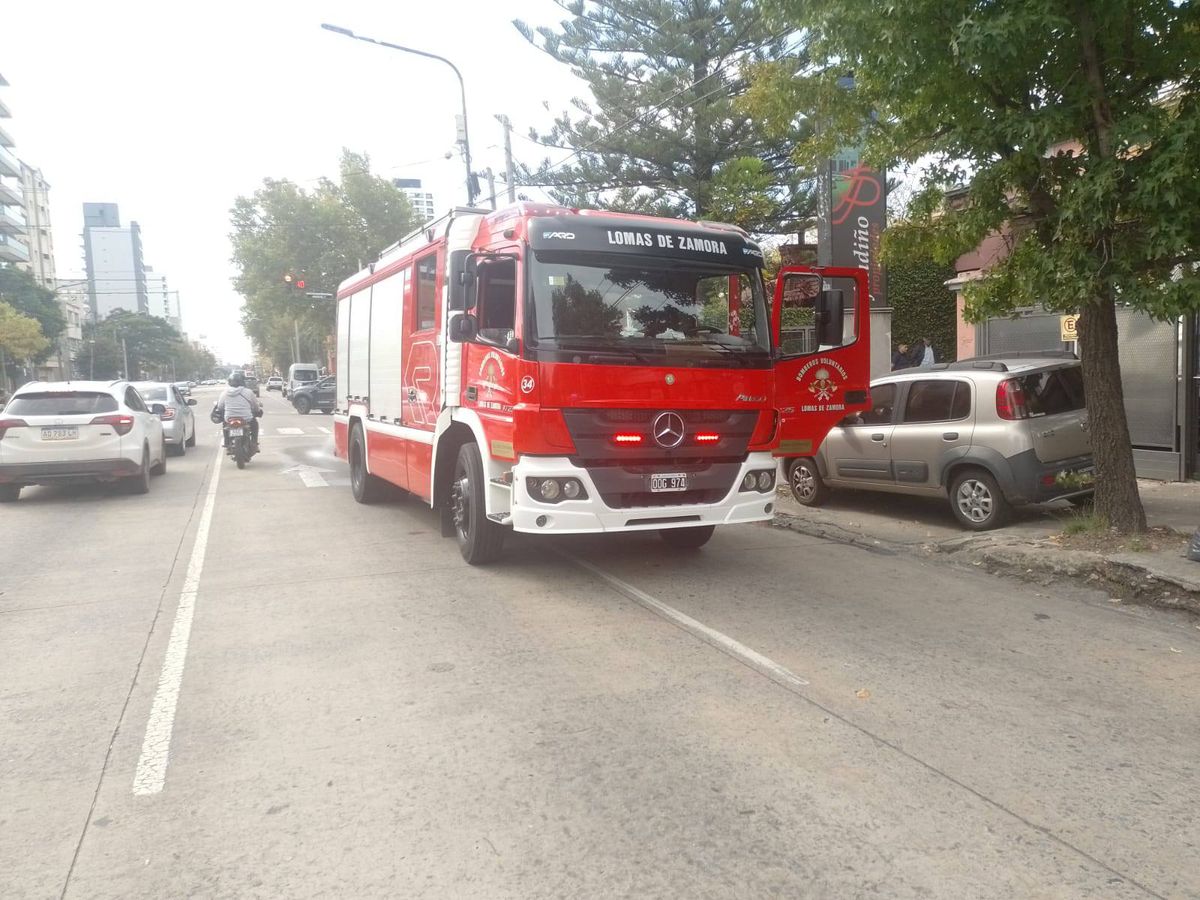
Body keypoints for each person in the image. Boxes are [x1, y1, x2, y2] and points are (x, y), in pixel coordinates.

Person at [213, 371, 263, 453]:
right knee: (254, 425)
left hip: (229, 418)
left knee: (225, 425)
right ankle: (254, 444)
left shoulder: (224, 393)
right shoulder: (248, 392)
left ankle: (227, 444)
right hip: (246, 418)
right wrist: (257, 410)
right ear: (242, 381)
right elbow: (255, 405)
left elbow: (220, 407)